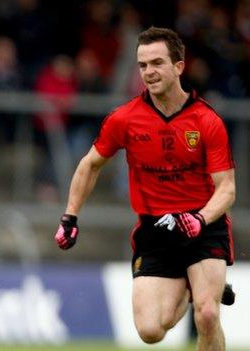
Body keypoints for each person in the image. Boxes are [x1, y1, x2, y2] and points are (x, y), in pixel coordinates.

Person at [54, 27, 235, 350]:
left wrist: (200, 219)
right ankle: (198, 285)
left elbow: (227, 190)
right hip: (156, 230)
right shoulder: (124, 119)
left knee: (207, 315)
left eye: (157, 63)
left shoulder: (207, 121)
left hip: (203, 226)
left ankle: (205, 290)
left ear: (179, 66)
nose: (148, 73)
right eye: (142, 65)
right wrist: (70, 217)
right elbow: (89, 164)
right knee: (150, 331)